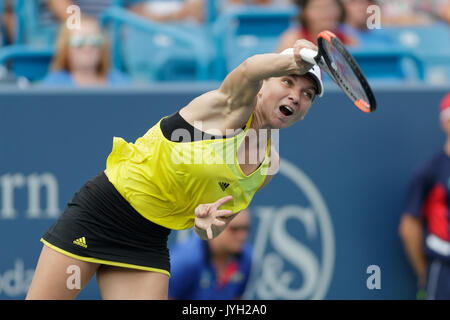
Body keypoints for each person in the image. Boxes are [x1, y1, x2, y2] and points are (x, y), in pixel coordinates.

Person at [26, 38, 324, 299]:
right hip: (101, 213)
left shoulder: (268, 165)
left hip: (148, 238)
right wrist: (294, 58)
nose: (296, 97)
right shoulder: (228, 108)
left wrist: (205, 224)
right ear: (264, 85)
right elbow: (247, 69)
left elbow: (213, 229)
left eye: (307, 94)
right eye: (287, 81)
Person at [399, 92, 450, 300]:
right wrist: (424, 273)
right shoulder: (430, 170)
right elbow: (408, 227)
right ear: (445, 122)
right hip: (443, 268)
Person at [169, 208, 252, 300]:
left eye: (246, 229)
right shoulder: (184, 261)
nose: (243, 236)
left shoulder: (246, 258)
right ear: (214, 227)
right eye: (234, 229)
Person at [41, 17, 130, 87]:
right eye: (79, 41)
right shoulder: (54, 84)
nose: (88, 48)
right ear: (65, 48)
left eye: (94, 41)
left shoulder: (119, 82)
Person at [277, 0, 355, 52]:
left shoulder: (349, 39)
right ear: (304, 12)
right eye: (317, 8)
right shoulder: (292, 39)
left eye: (330, 6)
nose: (325, 13)